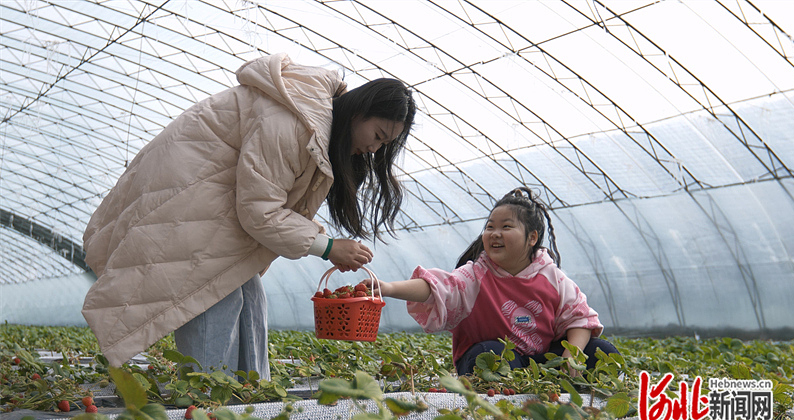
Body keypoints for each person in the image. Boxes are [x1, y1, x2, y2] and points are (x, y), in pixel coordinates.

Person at [81, 53, 416, 379]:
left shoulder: (311, 122)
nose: (374, 150)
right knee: (213, 295)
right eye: (377, 137)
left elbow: (268, 200)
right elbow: (259, 211)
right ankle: (208, 405)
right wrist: (327, 247)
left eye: (384, 145)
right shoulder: (293, 124)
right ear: (358, 111)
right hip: (187, 205)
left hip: (213, 208)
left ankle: (245, 400)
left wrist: (322, 240)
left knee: (248, 297)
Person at [372, 187, 618, 376]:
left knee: (602, 351)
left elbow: (579, 317)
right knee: (492, 352)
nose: (494, 233)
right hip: (495, 363)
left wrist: (570, 356)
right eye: (490, 227)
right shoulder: (475, 277)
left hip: (541, 365)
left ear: (532, 237)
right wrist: (388, 288)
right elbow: (438, 286)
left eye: (506, 227)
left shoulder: (552, 277)